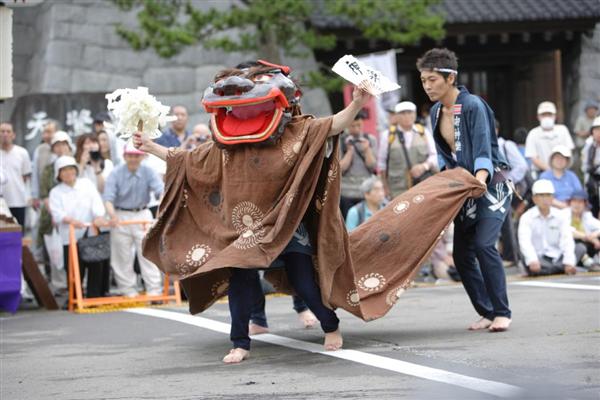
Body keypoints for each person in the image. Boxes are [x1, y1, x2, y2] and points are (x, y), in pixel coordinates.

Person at [134, 61, 373, 363]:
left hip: (286, 223)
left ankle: (330, 325)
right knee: (240, 282)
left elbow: (333, 125)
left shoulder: (296, 132)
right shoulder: (226, 144)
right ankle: (240, 342)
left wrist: (355, 103)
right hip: (243, 231)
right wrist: (151, 147)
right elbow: (187, 160)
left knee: (303, 283)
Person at [417, 48, 512, 332]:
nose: (428, 86)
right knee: (461, 256)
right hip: (463, 188)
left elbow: (483, 148)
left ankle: (502, 312)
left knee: (484, 245)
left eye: (433, 79)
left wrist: (481, 179)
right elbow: (446, 159)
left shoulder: (473, 105)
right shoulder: (435, 112)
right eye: (423, 80)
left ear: (451, 78)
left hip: (490, 184)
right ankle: (486, 311)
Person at [103, 143, 165, 297]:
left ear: (142, 156)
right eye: (130, 155)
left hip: (142, 213)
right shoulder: (115, 173)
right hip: (120, 214)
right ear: (124, 156)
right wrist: (112, 216)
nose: (133, 159)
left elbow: (161, 191)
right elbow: (108, 198)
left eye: (136, 155)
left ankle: (154, 289)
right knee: (121, 255)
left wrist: (160, 212)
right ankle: (128, 290)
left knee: (148, 253)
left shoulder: (149, 171)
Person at [48, 156, 108, 298]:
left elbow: (96, 202)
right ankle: (75, 298)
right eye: (64, 170)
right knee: (74, 268)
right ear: (59, 174)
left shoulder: (86, 184)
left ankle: (94, 296)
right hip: (69, 236)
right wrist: (71, 221)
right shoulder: (55, 192)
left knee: (95, 265)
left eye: (70, 169)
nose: (68, 173)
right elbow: (57, 214)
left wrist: (99, 216)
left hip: (90, 233)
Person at [377, 101, 437, 199]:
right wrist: (385, 187)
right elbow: (382, 164)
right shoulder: (387, 135)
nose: (407, 116)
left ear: (415, 114)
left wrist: (424, 166)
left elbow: (434, 155)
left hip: (423, 186)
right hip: (398, 189)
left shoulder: (423, 132)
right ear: (396, 116)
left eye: (410, 112)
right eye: (403, 113)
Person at [37, 131, 73, 290]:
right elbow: (44, 194)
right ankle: (60, 285)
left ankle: (76, 283)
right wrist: (54, 214)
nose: (60, 148)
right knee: (56, 254)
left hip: (75, 216)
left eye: (63, 144)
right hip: (53, 216)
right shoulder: (48, 169)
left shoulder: (75, 164)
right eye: (57, 145)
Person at [518, 179, 576, 276]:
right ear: (534, 199)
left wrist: (569, 262)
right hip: (537, 259)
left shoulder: (561, 216)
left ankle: (550, 269)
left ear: (553, 198)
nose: (545, 199)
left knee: (579, 248)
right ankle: (558, 269)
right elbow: (525, 242)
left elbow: (567, 240)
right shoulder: (527, 217)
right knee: (526, 259)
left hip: (557, 257)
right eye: (541, 195)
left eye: (548, 195)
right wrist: (532, 260)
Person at [496, 120, 529, 265]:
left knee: (506, 221)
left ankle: (510, 256)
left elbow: (522, 166)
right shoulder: (477, 144)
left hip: (505, 187)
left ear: (496, 130)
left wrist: (508, 180)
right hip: (486, 187)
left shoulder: (505, 145)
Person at [339, 112, 377, 218]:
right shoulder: (341, 141)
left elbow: (373, 166)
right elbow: (340, 169)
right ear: (347, 125)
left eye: (359, 125)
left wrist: (367, 150)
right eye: (352, 126)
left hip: (366, 192)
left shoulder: (370, 139)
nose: (356, 129)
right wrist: (350, 151)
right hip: (347, 193)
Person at [525, 101, 574, 176]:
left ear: (555, 116)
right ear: (538, 117)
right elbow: (533, 157)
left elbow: (569, 151)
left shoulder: (563, 130)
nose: (547, 117)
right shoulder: (533, 133)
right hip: (541, 172)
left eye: (549, 114)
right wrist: (550, 171)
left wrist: (560, 169)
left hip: (563, 172)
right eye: (544, 115)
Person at [0, 122, 32, 228]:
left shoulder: (22, 153)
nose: (5, 134)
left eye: (8, 131)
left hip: (18, 200)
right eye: (2, 131)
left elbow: (25, 176)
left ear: (13, 135)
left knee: (18, 235)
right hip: (1, 203)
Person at [565, 190, 600, 272]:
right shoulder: (564, 214)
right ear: (570, 203)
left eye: (580, 202)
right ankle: (586, 262)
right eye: (574, 201)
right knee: (578, 242)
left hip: (586, 246)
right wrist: (587, 237)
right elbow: (566, 230)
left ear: (585, 204)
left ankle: (591, 262)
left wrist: (594, 235)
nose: (577, 205)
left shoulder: (587, 215)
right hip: (569, 247)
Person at [31, 120, 59, 210]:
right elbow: (35, 174)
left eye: (49, 132)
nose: (46, 135)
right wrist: (35, 196)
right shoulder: (39, 150)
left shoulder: (67, 148)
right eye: (44, 132)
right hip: (45, 195)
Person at [580, 116, 600, 216]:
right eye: (596, 129)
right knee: (593, 209)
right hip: (592, 182)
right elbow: (584, 167)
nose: (599, 132)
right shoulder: (589, 146)